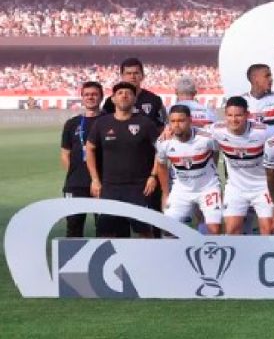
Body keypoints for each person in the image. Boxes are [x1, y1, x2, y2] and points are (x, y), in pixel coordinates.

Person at [86, 82, 161, 238]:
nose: (124, 95)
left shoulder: (145, 123)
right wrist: (94, 179)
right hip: (110, 187)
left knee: (145, 232)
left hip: (139, 188)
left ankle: (147, 262)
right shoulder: (102, 123)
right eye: (120, 93)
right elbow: (90, 149)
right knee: (106, 233)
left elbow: (160, 151)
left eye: (128, 93)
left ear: (134, 99)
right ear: (113, 99)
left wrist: (153, 176)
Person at [209, 96, 274, 235]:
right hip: (236, 188)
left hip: (262, 187)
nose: (233, 120)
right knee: (232, 230)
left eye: (238, 115)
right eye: (230, 115)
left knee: (268, 230)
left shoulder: (264, 132)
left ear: (247, 115)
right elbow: (195, 132)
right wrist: (169, 130)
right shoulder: (217, 130)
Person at [155, 105, 223, 234]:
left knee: (214, 230)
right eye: (173, 121)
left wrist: (212, 170)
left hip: (208, 188)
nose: (176, 125)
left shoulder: (207, 138)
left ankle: (205, 249)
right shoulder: (163, 142)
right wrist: (165, 193)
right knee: (168, 229)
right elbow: (161, 165)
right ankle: (178, 253)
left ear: (190, 121)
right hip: (181, 190)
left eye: (181, 121)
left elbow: (216, 152)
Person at [60, 81, 103, 238]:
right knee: (73, 228)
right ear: (82, 98)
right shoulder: (72, 124)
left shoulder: (109, 120)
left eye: (94, 94)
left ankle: (103, 262)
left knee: (105, 228)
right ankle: (73, 263)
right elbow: (65, 153)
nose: (90, 97)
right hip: (76, 184)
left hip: (102, 183)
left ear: (101, 97)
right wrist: (75, 174)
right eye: (87, 94)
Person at [101, 58, 167, 129]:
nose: (132, 77)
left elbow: (162, 126)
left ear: (142, 76)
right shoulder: (111, 101)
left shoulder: (154, 100)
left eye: (136, 73)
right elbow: (104, 125)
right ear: (122, 76)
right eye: (128, 73)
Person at [243, 63, 274, 136]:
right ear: (255, 79)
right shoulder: (241, 102)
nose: (271, 79)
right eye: (267, 76)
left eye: (270, 76)